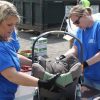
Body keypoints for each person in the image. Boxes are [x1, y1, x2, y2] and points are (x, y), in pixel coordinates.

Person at [0, 1, 60, 99]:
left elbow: (13, 56)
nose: (12, 29)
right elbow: (12, 75)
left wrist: (34, 62)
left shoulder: (5, 40)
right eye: (9, 25)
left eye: (15, 25)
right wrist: (43, 84)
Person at [64, 5, 100, 90]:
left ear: (84, 15)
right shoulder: (80, 30)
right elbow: (75, 48)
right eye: (74, 24)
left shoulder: (98, 27)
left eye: (77, 22)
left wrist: (85, 64)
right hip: (87, 77)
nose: (76, 25)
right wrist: (63, 57)